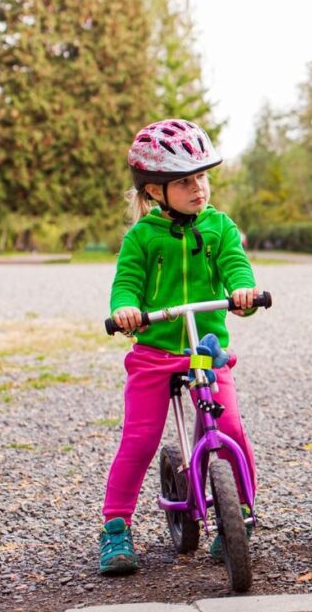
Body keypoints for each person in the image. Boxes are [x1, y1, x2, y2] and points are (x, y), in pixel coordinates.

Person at [99, 119, 259, 575]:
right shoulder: (142, 237)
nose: (199, 189)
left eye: (202, 177)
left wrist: (243, 292)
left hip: (205, 350)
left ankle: (241, 515)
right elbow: (126, 283)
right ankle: (115, 525)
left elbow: (236, 266)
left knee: (229, 425)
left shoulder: (219, 228)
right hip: (155, 351)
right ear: (154, 190)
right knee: (141, 437)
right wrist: (127, 308)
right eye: (184, 181)